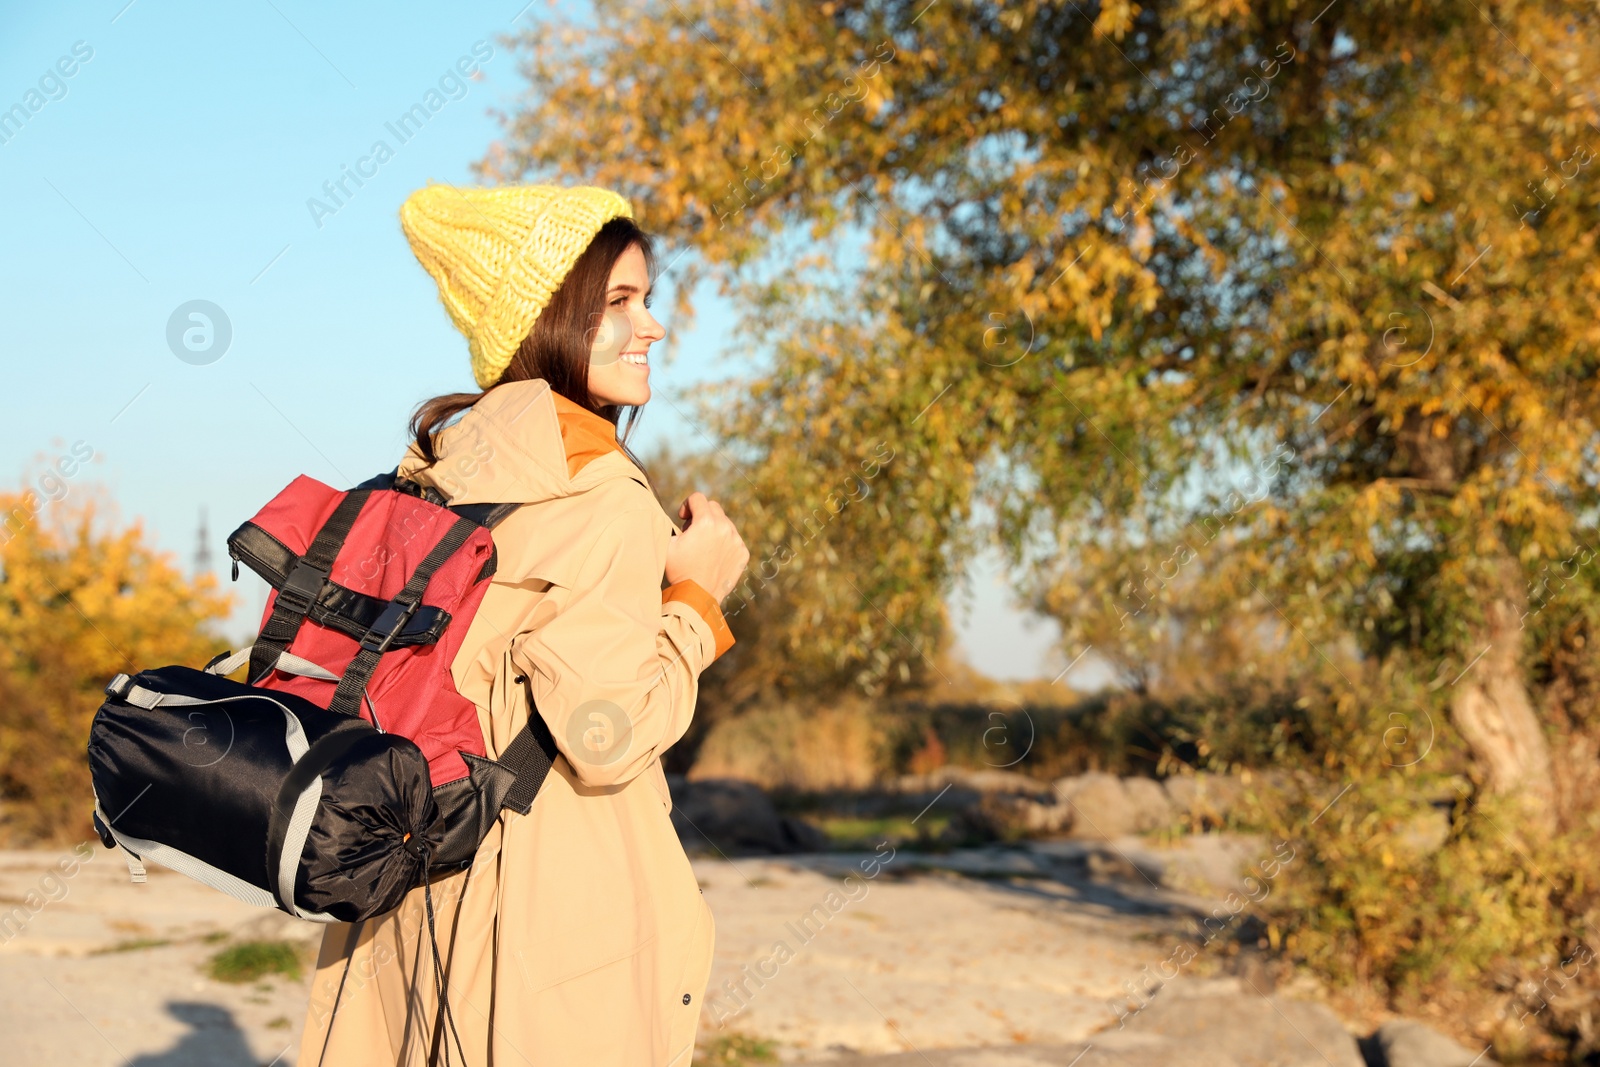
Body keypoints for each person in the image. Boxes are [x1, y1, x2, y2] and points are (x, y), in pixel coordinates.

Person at [296, 182, 750, 1066]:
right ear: (549, 317)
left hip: (407, 890)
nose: (651, 326)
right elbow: (604, 735)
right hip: (549, 924)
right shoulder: (605, 496)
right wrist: (699, 600)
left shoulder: (437, 473)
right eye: (619, 302)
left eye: (647, 299)